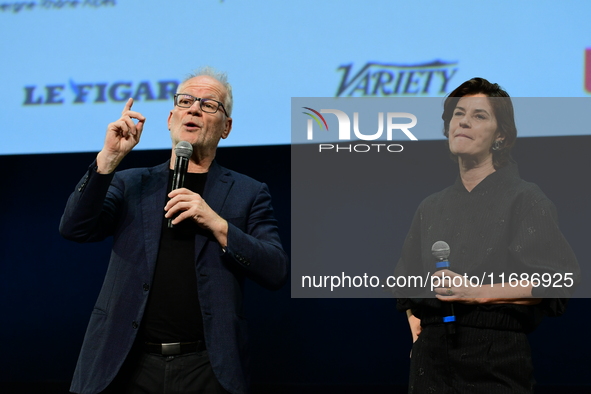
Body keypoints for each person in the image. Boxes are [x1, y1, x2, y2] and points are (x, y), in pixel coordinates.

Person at [60, 67, 289, 394]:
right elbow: (74, 228)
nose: (194, 109)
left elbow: (276, 269)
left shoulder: (248, 192)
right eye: (185, 101)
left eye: (209, 104)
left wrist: (217, 224)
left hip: (207, 367)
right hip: (126, 364)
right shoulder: (130, 183)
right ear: (170, 119)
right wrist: (107, 160)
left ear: (226, 128)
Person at [393, 78, 579, 393]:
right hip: (431, 364)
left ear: (501, 135)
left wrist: (477, 291)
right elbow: (404, 282)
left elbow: (558, 282)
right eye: (457, 113)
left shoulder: (524, 199)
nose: (463, 121)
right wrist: (417, 328)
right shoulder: (430, 207)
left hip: (494, 361)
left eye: (479, 115)